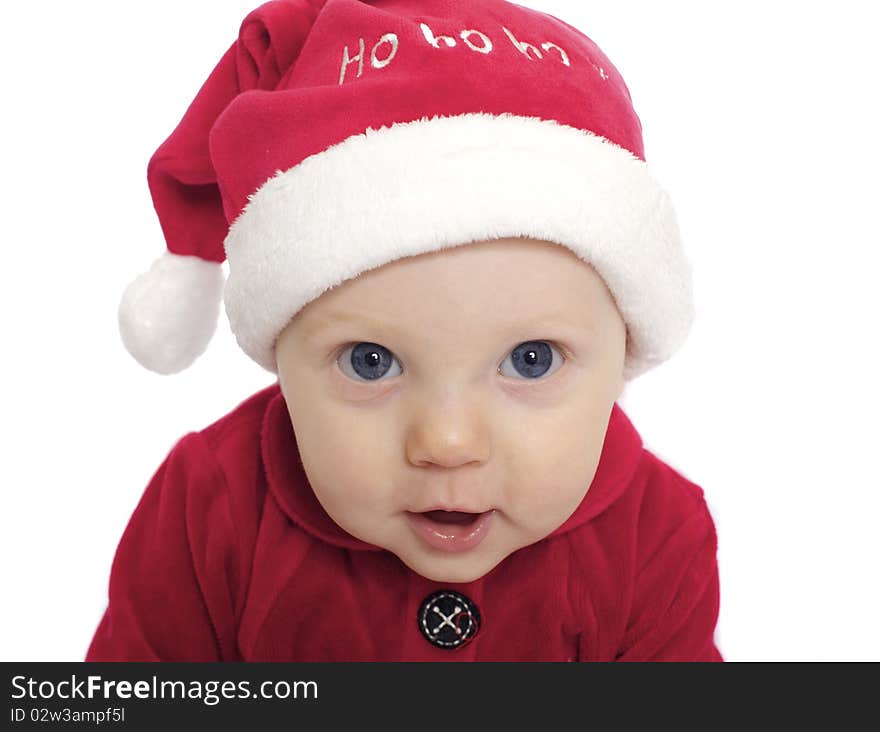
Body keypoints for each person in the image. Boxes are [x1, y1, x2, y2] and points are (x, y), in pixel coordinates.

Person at [87, 0, 723, 661]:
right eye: (370, 362)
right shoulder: (207, 510)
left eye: (531, 361)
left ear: (627, 353)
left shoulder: (659, 535)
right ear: (280, 354)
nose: (447, 442)